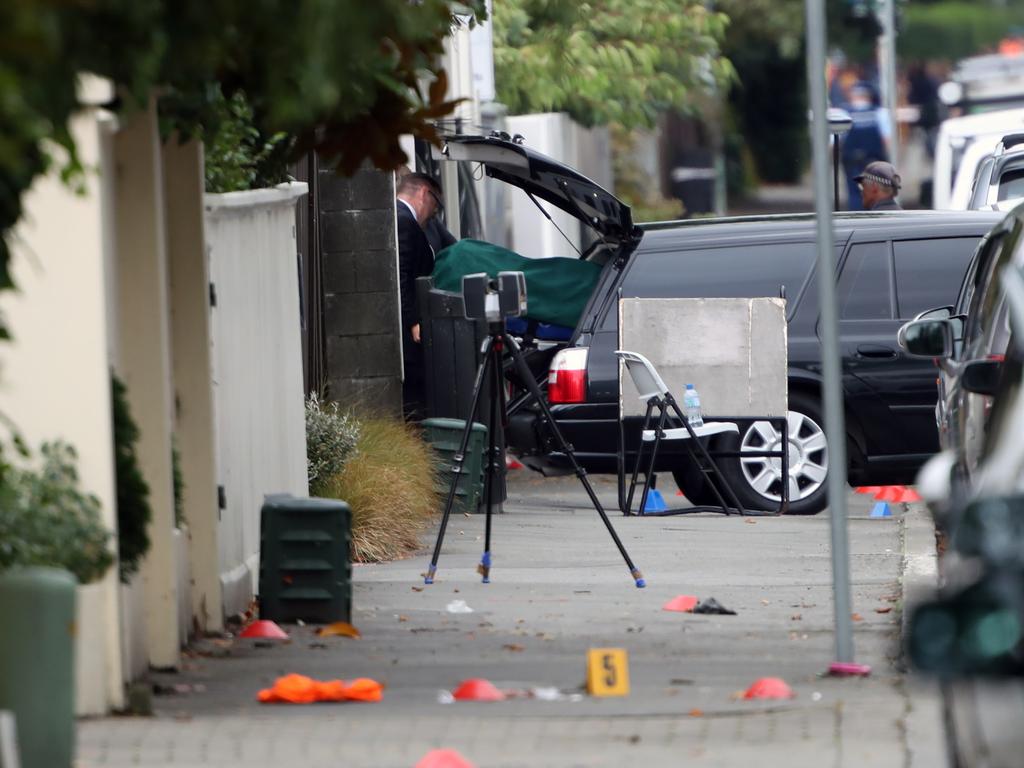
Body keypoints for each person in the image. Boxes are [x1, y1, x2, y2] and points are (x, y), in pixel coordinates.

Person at [396, 172, 443, 421]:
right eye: (435, 205)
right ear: (425, 194)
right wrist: (413, 320)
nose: (433, 213)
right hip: (408, 330)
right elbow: (400, 275)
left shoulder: (400, 218)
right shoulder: (404, 221)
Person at [841, 82, 891, 211]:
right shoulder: (879, 113)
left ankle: (855, 217)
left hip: (851, 160)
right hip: (874, 160)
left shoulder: (845, 114)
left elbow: (837, 140)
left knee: (854, 193)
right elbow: (886, 139)